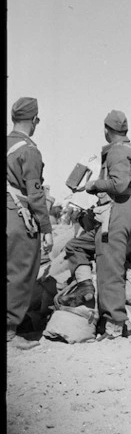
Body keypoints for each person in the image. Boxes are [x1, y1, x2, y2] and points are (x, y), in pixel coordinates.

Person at [64, 110, 131, 340]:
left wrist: (94, 185)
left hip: (116, 212)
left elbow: (118, 185)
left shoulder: (117, 151)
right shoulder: (130, 149)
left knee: (109, 270)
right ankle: (86, 286)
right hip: (125, 211)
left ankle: (114, 327)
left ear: (107, 131)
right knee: (76, 246)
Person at [7, 97, 54, 346]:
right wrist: (46, 229)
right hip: (16, 215)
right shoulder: (29, 149)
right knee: (21, 271)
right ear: (35, 121)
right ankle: (10, 332)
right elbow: (35, 193)